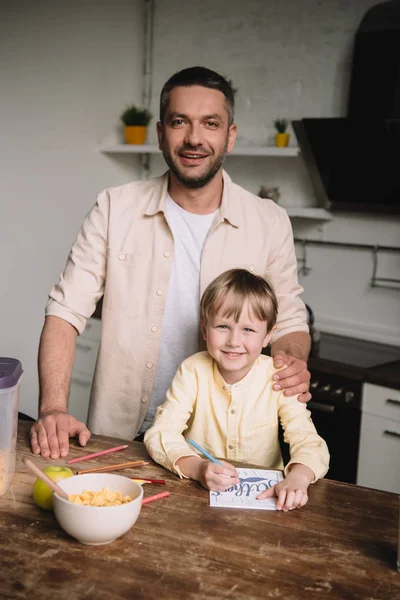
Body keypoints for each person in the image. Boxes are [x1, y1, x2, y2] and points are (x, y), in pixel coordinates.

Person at [30, 66, 312, 460]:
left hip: (218, 449)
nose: (194, 139)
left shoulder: (268, 220)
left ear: (230, 135)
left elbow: (291, 324)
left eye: (210, 123)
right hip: (120, 437)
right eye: (180, 122)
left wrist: (291, 361)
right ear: (161, 133)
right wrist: (53, 408)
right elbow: (65, 310)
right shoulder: (115, 208)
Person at [144, 269, 329, 511]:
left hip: (266, 503)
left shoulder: (278, 376)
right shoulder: (192, 371)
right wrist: (198, 468)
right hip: (198, 500)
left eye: (248, 330)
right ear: (204, 329)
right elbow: (160, 433)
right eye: (222, 326)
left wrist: (298, 478)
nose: (233, 340)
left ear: (267, 336)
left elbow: (308, 442)